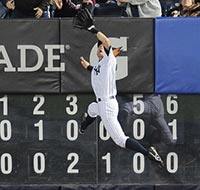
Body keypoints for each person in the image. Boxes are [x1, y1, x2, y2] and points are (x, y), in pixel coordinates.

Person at [76, 8, 164, 166]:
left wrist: (92, 29)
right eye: (99, 48)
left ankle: (148, 152)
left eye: (102, 48)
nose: (101, 49)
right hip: (101, 104)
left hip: (108, 106)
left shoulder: (110, 60)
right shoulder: (99, 66)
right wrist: (88, 66)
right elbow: (97, 72)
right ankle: (84, 124)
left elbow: (107, 42)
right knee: (91, 109)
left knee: (120, 140)